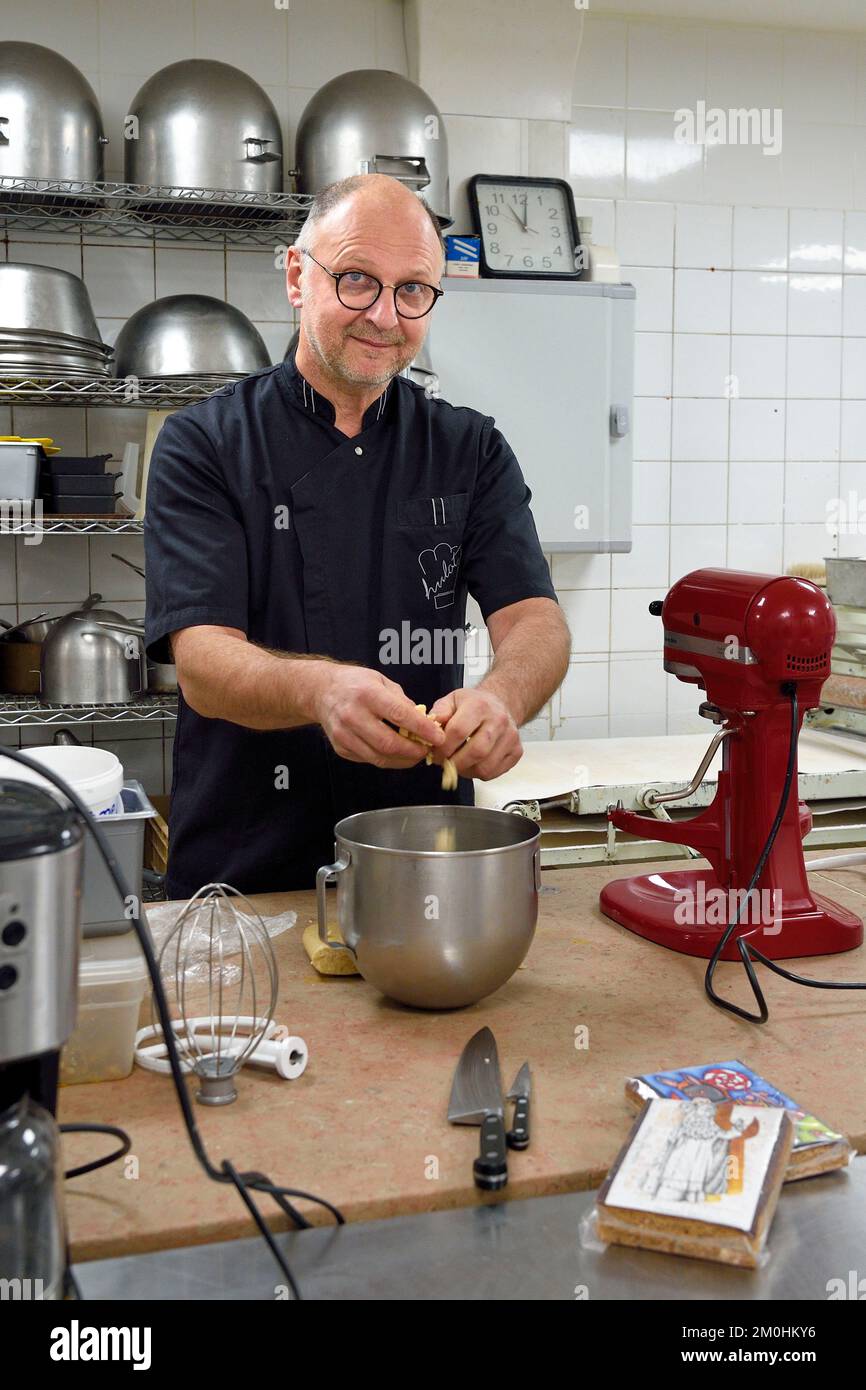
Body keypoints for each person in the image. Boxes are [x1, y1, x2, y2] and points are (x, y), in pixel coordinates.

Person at [145, 173, 570, 897]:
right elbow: (203, 664)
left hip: (420, 867)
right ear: (295, 276)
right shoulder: (204, 445)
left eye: (412, 291)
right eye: (356, 281)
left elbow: (536, 620)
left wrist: (503, 696)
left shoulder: (470, 450)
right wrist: (320, 691)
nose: (384, 315)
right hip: (247, 872)